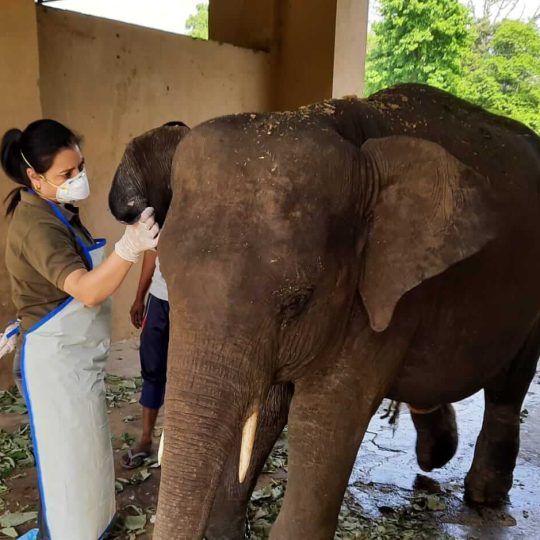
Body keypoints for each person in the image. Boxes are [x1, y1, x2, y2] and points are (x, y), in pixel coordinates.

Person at [0, 119, 159, 540]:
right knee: (67, 465)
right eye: (66, 175)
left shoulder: (57, 210)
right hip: (54, 362)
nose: (78, 179)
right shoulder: (36, 225)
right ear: (34, 177)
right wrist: (129, 247)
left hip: (76, 357)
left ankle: (95, 527)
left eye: (80, 168)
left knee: (88, 454)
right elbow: (87, 291)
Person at [122, 250, 169, 469]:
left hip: (194, 303)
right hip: (159, 300)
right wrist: (139, 298)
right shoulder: (159, 216)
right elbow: (151, 256)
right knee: (152, 369)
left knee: (189, 375)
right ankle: (146, 439)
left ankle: (177, 445)